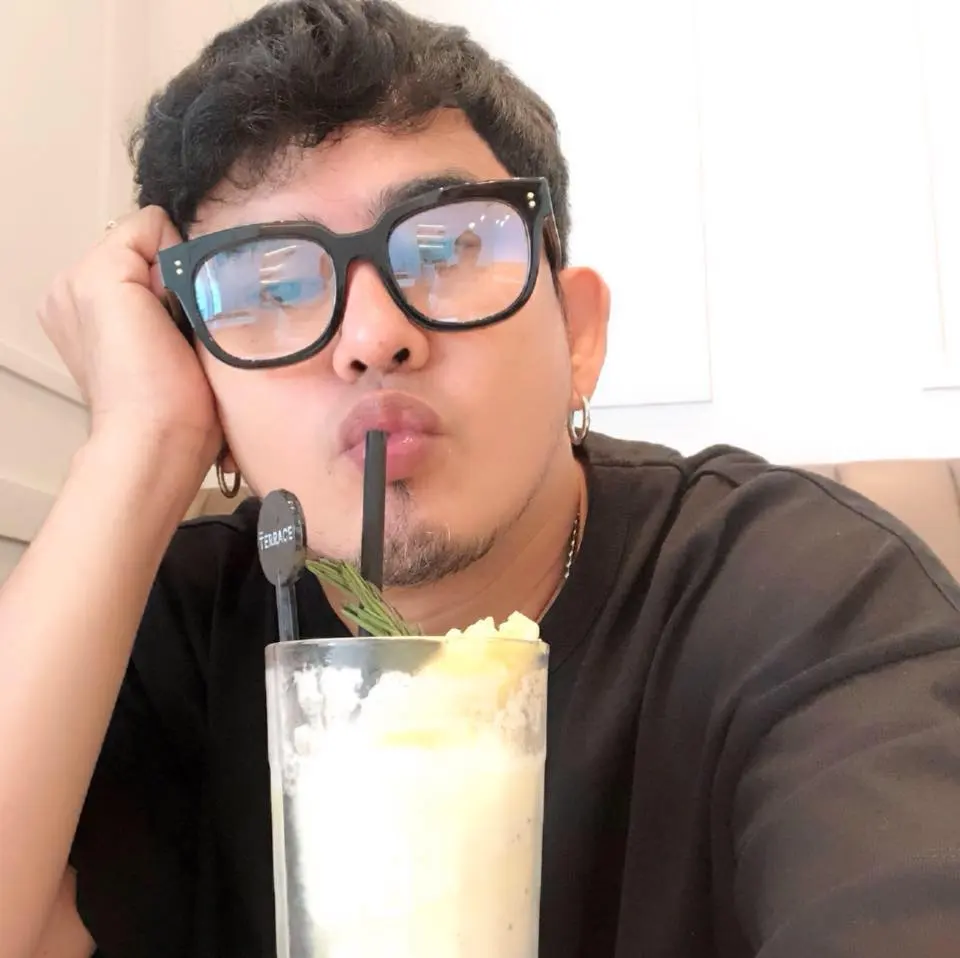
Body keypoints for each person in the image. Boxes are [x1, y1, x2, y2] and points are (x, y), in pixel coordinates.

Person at [3, 1, 960, 956]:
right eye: (270, 286)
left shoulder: (797, 595)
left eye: (448, 249)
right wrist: (135, 445)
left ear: (577, 337)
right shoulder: (156, 631)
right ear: (200, 378)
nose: (373, 336)